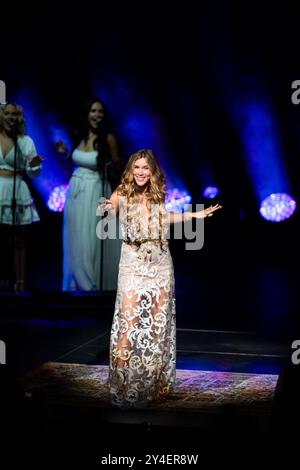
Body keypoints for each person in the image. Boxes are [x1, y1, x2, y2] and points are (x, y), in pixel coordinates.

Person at [98, 148, 222, 408]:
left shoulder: (156, 195)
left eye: (146, 168)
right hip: (132, 265)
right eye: (137, 167)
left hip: (161, 265)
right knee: (128, 327)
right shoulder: (123, 192)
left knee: (157, 329)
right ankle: (121, 387)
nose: (141, 172)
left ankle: (154, 386)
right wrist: (106, 208)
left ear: (152, 172)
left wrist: (193, 215)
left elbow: (166, 217)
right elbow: (108, 211)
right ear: (130, 171)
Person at [55, 97, 124, 291]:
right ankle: (76, 282)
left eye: (100, 112)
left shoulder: (108, 138)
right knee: (75, 236)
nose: (97, 115)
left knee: (90, 237)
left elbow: (118, 166)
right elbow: (79, 163)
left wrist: (112, 164)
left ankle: (91, 283)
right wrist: (66, 154)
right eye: (94, 111)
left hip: (96, 189)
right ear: (87, 114)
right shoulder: (80, 135)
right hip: (76, 190)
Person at [0, 103, 43, 292]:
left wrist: (33, 165)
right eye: (7, 113)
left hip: (17, 190)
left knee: (18, 241)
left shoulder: (25, 141)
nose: (10, 117)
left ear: (19, 118)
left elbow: (34, 174)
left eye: (14, 114)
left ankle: (20, 284)